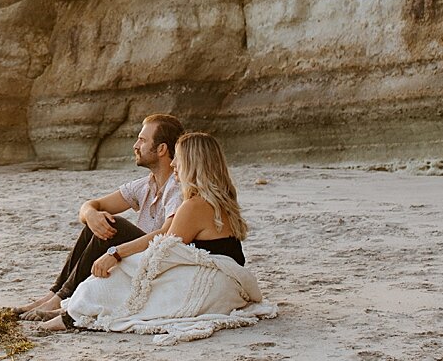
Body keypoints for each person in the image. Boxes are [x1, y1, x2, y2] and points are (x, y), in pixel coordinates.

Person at [29, 131, 265, 339]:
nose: (173, 166)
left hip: (214, 281)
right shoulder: (216, 200)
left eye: (179, 160)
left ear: (192, 163)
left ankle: (71, 314)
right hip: (223, 278)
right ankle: (63, 301)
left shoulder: (194, 205)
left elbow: (163, 249)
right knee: (124, 260)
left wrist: (115, 254)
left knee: (120, 276)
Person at [14, 114, 185, 322]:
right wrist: (91, 215)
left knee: (113, 225)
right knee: (97, 223)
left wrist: (115, 252)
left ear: (161, 149)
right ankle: (52, 296)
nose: (135, 145)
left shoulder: (176, 187)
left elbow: (168, 233)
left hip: (160, 260)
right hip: (140, 256)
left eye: (142, 140)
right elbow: (90, 205)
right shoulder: (145, 185)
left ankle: (62, 298)